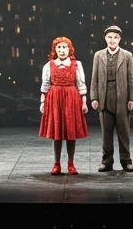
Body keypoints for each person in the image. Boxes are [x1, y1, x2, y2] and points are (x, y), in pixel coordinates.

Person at [90, 25, 133, 172]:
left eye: (115, 37)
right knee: (106, 132)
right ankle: (107, 161)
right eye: (109, 37)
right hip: (104, 96)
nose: (112, 40)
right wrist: (94, 97)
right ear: (105, 38)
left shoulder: (127, 55)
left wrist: (132, 98)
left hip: (122, 96)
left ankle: (126, 160)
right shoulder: (98, 55)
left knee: (124, 132)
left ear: (119, 39)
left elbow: (131, 78)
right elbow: (94, 78)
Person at [38, 36, 89, 175]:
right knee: (57, 132)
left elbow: (81, 84)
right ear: (55, 50)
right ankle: (57, 163)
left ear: (69, 49)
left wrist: (84, 102)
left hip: (71, 98)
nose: (62, 50)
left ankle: (71, 163)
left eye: (64, 47)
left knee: (71, 132)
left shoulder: (77, 64)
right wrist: (42, 102)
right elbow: (45, 85)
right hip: (54, 98)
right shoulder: (48, 65)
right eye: (59, 47)